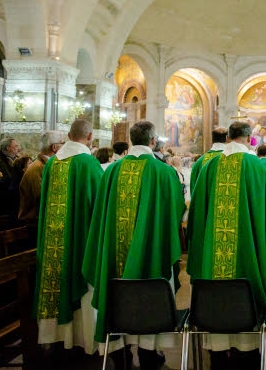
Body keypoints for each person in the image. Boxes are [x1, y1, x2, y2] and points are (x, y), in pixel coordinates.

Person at [83, 120, 185, 369]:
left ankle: (119, 351)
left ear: (130, 140)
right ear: (153, 141)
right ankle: (150, 350)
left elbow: (100, 214)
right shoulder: (165, 172)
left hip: (114, 252)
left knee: (115, 285)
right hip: (152, 249)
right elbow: (176, 212)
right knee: (151, 287)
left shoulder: (112, 172)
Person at [187, 121, 266, 357]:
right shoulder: (258, 167)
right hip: (249, 251)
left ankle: (219, 347)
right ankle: (249, 348)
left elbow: (197, 214)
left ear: (229, 137)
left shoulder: (210, 166)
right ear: (249, 137)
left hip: (213, 253)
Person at [33, 119, 102, 356]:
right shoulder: (89, 164)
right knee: (83, 285)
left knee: (55, 281)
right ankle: (83, 340)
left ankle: (53, 338)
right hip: (81, 241)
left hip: (54, 243)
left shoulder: (52, 163)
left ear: (69, 135)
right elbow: (99, 208)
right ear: (90, 136)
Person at [18, 131, 64, 224]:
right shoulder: (38, 168)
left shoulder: (45, 165)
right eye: (63, 143)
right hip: (34, 221)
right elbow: (41, 196)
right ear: (54, 147)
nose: (64, 147)